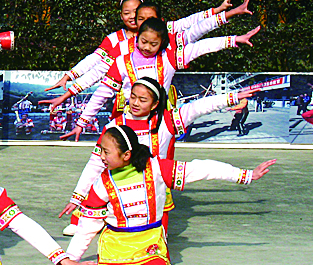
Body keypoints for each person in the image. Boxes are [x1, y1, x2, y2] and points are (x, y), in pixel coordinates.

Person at [52, 125, 274, 265]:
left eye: (106, 152)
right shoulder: (101, 184)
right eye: (100, 150)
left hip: (150, 247)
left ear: (126, 155)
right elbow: (86, 229)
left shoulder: (156, 169)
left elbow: (202, 169)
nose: (101, 157)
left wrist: (246, 175)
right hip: (117, 251)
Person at [60, 76, 263, 235]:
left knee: (156, 248)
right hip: (120, 193)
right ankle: (87, 222)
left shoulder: (167, 122)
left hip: (153, 190)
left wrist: (232, 97)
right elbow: (96, 164)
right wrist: (77, 197)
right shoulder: (114, 126)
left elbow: (199, 109)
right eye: (133, 97)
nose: (135, 103)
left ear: (155, 103)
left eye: (143, 99)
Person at [43, 17, 260, 140]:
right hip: (129, 121)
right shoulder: (122, 61)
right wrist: (82, 123)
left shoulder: (170, 58)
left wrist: (234, 39)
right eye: (143, 42)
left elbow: (201, 46)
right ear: (137, 37)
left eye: (153, 44)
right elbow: (101, 94)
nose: (147, 47)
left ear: (162, 43)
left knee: (157, 175)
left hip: (161, 123)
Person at [47, 0, 250, 98]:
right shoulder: (117, 43)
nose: (134, 17)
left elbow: (194, 26)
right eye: (128, 13)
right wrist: (70, 78)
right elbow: (96, 65)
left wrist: (222, 12)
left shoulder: (165, 34)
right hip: (128, 102)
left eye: (139, 14)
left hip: (159, 102)